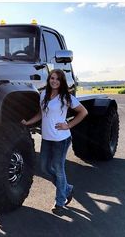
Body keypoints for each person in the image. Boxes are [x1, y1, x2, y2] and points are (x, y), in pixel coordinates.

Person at [21, 69, 88, 214]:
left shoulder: (66, 97)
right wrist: (28, 122)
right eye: (52, 78)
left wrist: (68, 125)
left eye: (57, 79)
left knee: (58, 168)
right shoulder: (43, 94)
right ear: (49, 79)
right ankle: (67, 188)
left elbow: (83, 112)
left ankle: (60, 202)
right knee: (44, 168)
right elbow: (41, 113)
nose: (54, 81)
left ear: (61, 81)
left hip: (61, 139)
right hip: (47, 138)